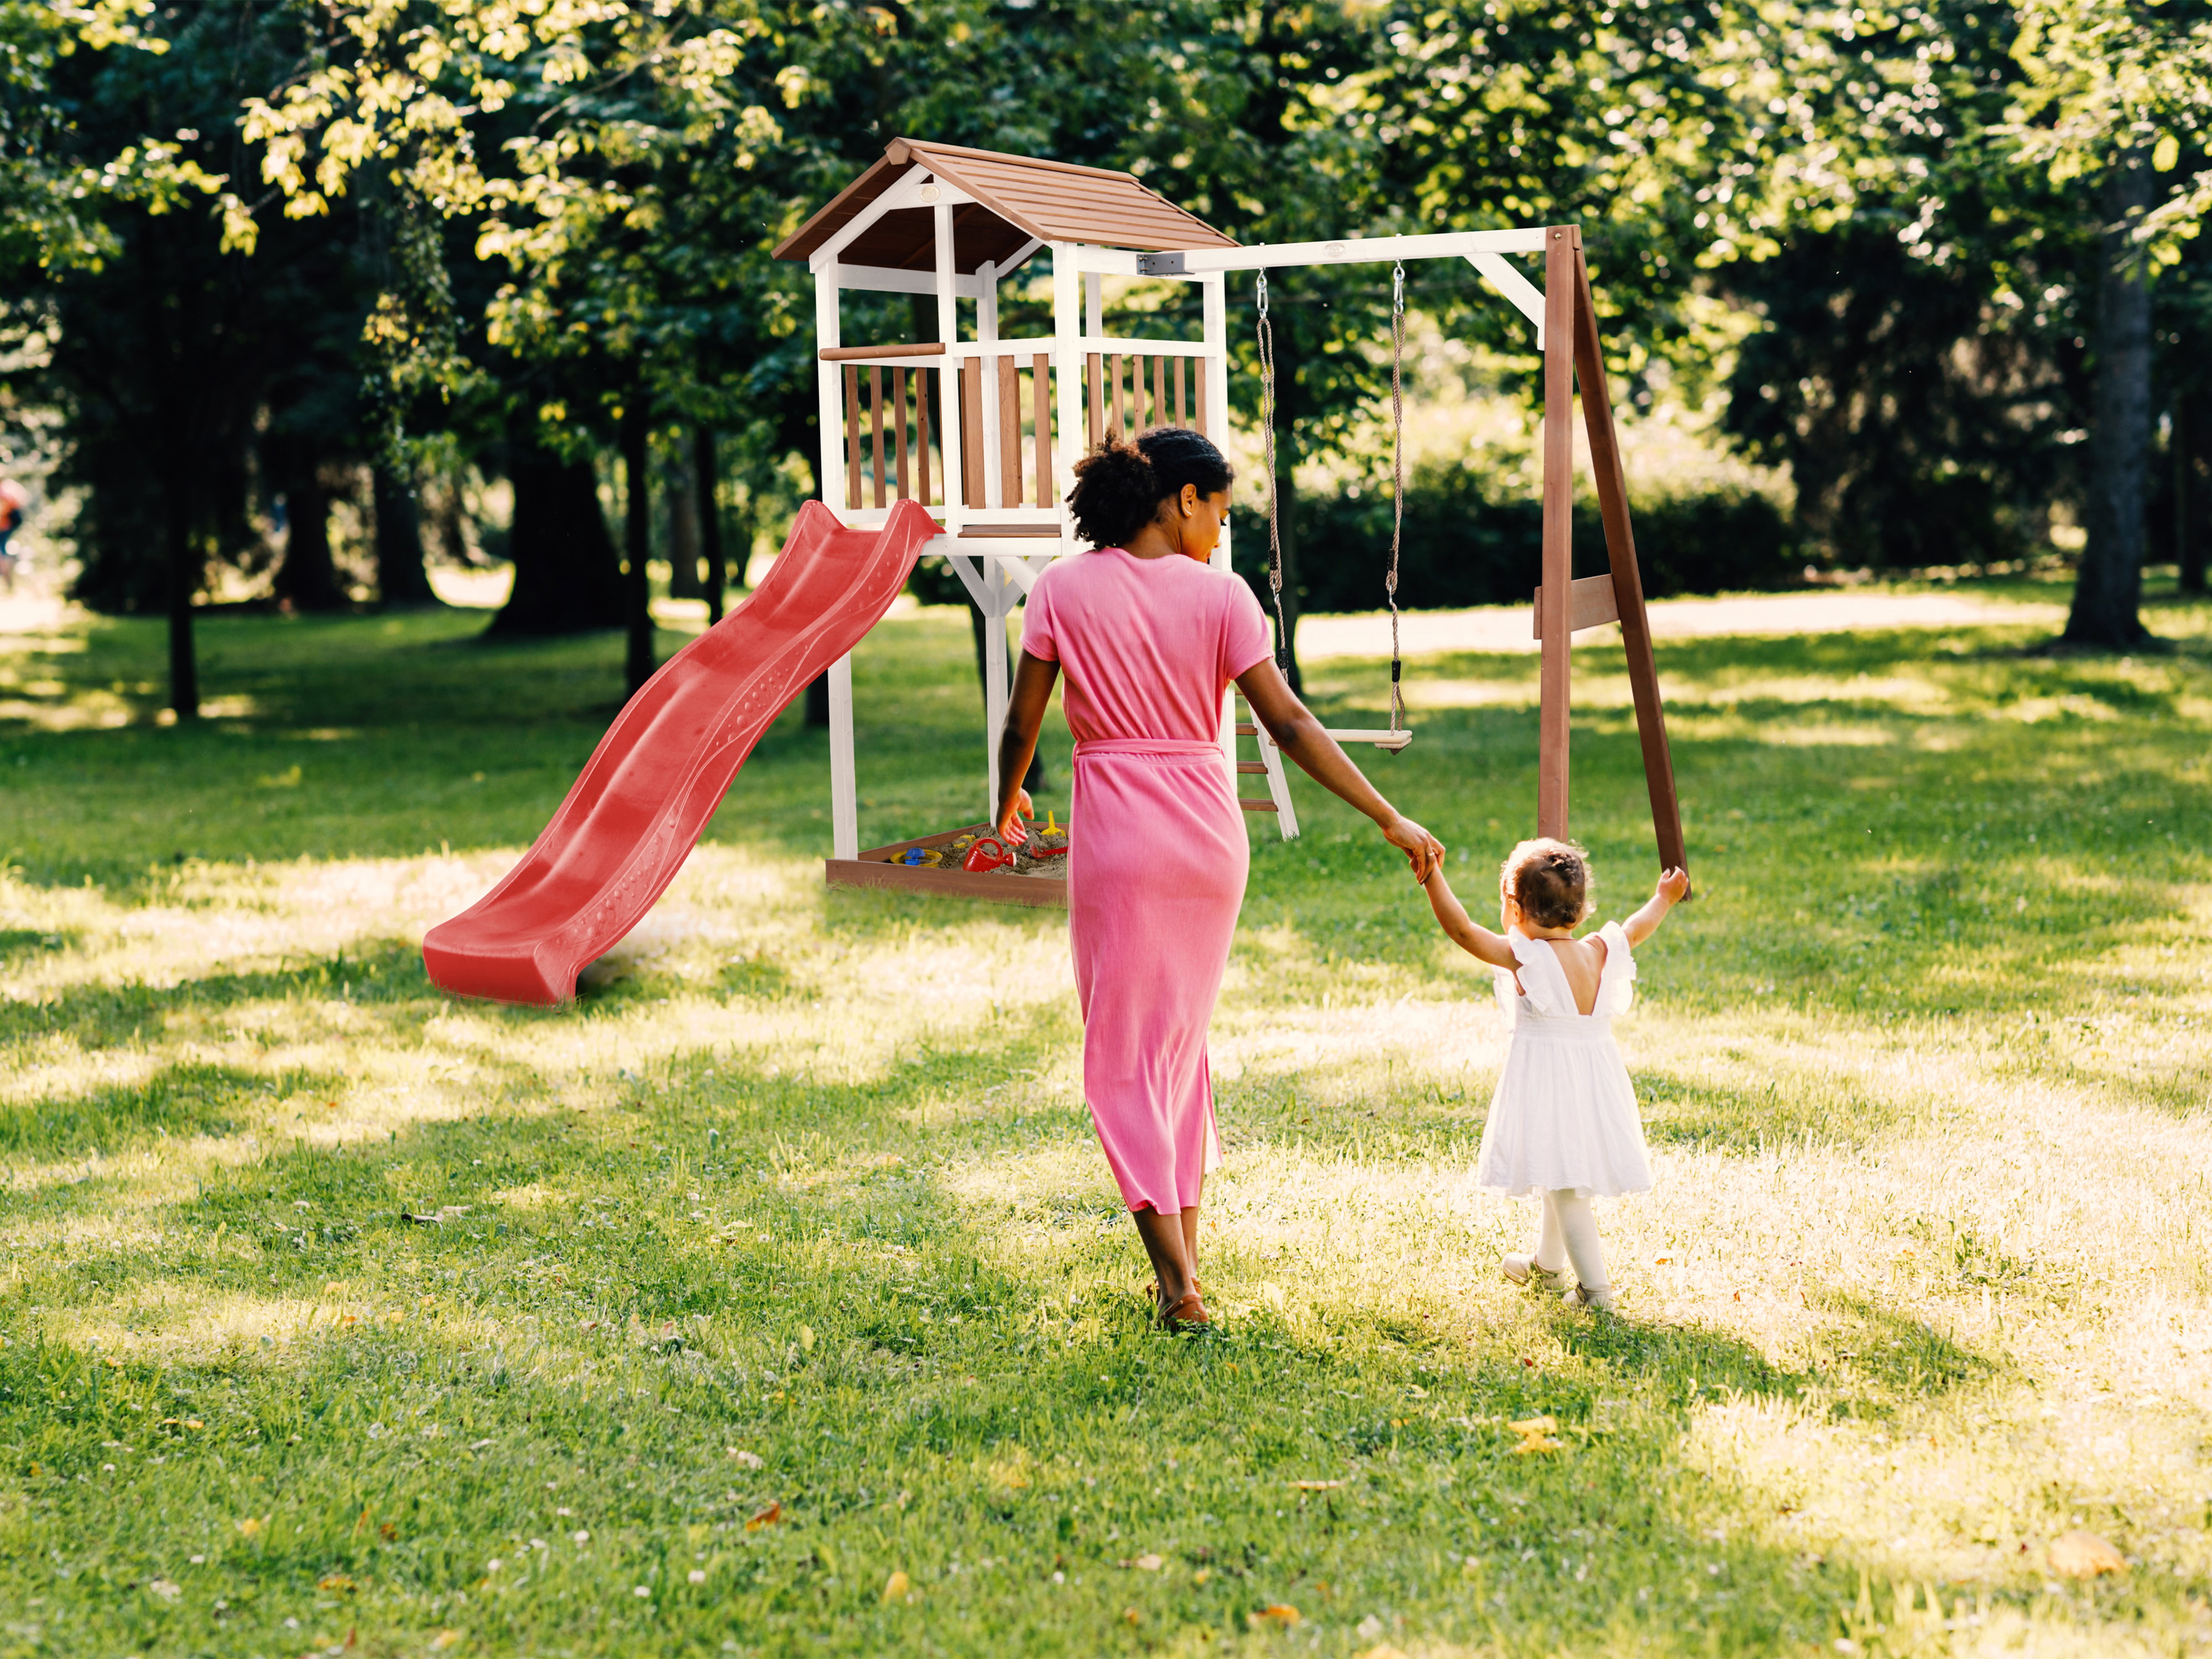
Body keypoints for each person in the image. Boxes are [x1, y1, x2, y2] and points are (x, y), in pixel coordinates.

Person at [994, 428, 1444, 1331]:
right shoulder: (1224, 598)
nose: (1221, 533)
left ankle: (1176, 1285)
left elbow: (1022, 725)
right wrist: (1385, 814)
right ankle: (1185, 1268)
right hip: (1207, 841)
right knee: (1175, 1052)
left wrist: (1002, 808)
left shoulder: (1060, 589)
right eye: (1221, 513)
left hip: (1120, 840)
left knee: (1124, 1060)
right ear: (1182, 499)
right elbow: (1290, 724)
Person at [1418, 838, 1689, 1311]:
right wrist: (1663, 898)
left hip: (1551, 1083)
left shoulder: (1527, 958)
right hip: (1594, 1080)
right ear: (1580, 912)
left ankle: (1596, 1292)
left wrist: (1431, 875)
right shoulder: (1598, 951)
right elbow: (1635, 927)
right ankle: (1547, 1267)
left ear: (1515, 908)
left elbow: (1462, 931)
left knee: (1565, 1187)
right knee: (1555, 1169)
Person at [0, 479, 27, 595]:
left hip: (7, 524)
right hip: (10, 523)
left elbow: (6, 508)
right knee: (3, 549)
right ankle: (7, 577)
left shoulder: (4, 491)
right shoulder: (8, 486)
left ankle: (6, 575)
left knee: (2, 550)